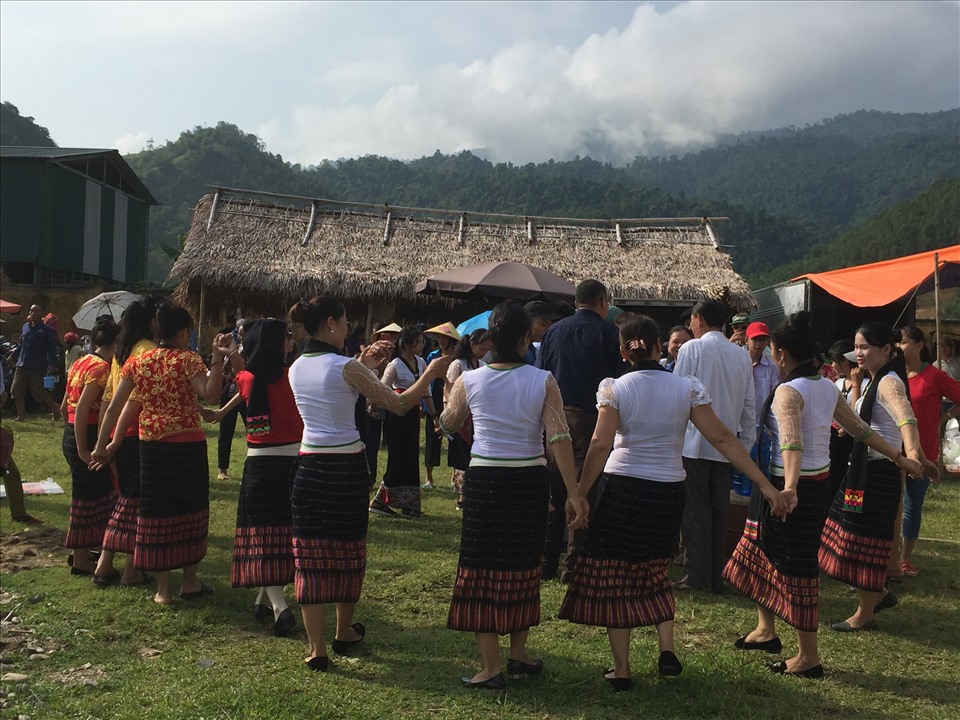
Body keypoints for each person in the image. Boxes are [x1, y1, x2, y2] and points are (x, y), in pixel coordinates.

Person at [559, 313, 789, 690]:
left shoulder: (615, 388)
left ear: (623, 352)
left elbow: (600, 444)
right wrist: (764, 484)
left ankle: (622, 669)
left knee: (618, 575)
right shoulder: (687, 388)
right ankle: (666, 648)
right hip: (668, 490)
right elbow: (723, 439)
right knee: (656, 569)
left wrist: (580, 493)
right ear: (658, 345)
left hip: (624, 488)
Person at [723, 312, 922, 679]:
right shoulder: (827, 387)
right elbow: (860, 430)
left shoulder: (789, 391)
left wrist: (789, 489)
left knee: (796, 570)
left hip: (789, 488)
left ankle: (808, 657)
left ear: (781, 354)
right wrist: (899, 458)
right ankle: (766, 629)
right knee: (761, 553)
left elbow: (792, 442)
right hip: (807, 486)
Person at [286, 296, 448, 671]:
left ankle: (316, 647)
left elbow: (335, 387)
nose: (348, 328)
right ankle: (343, 631)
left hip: (308, 464)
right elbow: (399, 405)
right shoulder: (345, 367)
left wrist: (364, 365)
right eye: (344, 322)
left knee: (309, 552)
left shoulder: (297, 366)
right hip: (344, 467)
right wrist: (429, 375)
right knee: (347, 548)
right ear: (330, 324)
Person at [440, 302, 588, 689]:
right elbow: (558, 436)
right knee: (523, 565)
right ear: (526, 338)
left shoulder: (469, 380)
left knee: (481, 567)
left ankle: (490, 668)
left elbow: (449, 424)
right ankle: (518, 653)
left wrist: (443, 394)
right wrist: (573, 492)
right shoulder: (543, 380)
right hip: (529, 481)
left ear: (490, 338)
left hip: (486, 481)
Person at [92, 304, 234, 606]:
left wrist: (103, 445)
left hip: (152, 448)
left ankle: (163, 591)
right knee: (191, 511)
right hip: (188, 448)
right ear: (184, 332)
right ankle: (190, 582)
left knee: (157, 515)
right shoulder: (188, 359)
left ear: (157, 329)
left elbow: (116, 408)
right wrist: (218, 360)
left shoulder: (139, 362)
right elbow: (209, 394)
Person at [819, 322, 937, 632]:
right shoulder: (873, 380)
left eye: (865, 347)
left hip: (878, 473)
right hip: (862, 470)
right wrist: (922, 457)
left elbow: (904, 416)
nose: (858, 353)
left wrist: (912, 454)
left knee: (866, 540)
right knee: (849, 534)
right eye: (856, 347)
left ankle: (865, 613)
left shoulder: (888, 382)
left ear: (886, 350)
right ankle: (879, 594)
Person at [207, 319, 303, 635]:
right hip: (293, 462)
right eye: (287, 338)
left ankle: (278, 605)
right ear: (279, 345)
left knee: (261, 534)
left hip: (260, 464)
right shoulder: (294, 377)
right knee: (282, 529)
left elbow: (245, 373)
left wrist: (225, 354)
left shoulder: (247, 380)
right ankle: (266, 601)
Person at [537, 279, 624, 582]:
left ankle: (545, 563)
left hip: (555, 419)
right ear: (602, 301)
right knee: (584, 490)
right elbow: (618, 382)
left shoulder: (552, 332)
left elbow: (541, 375)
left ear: (576, 302)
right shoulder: (611, 334)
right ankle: (573, 565)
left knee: (554, 491)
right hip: (592, 419)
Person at [675, 299, 756, 593]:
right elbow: (749, 403)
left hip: (694, 443)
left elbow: (678, 393)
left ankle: (697, 576)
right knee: (719, 510)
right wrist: (744, 443)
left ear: (698, 319)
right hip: (727, 445)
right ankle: (714, 574)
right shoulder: (741, 355)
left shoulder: (692, 348)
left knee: (696, 511)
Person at [92, 296, 160, 587]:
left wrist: (103, 440)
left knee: (126, 501)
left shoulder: (122, 351)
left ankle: (104, 565)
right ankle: (131, 570)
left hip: (119, 435)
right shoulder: (149, 351)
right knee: (139, 505)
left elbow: (109, 400)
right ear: (152, 322)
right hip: (139, 434)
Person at [895, 326, 960, 576]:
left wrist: (943, 417)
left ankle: (904, 558)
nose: (899, 346)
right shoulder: (893, 375)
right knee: (892, 506)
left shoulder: (934, 375)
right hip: (894, 451)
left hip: (924, 453)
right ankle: (888, 558)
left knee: (912, 505)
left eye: (903, 342)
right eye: (897, 343)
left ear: (920, 345)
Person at [60, 317, 120, 578]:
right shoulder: (101, 369)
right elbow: (83, 408)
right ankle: (81, 559)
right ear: (115, 344)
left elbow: (65, 407)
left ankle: (86, 550)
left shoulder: (80, 362)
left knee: (96, 496)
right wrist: (85, 448)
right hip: (86, 435)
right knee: (87, 499)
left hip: (72, 434)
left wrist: (74, 438)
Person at [369, 326, 434, 517]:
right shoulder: (395, 364)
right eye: (419, 342)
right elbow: (383, 388)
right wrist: (376, 404)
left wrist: (434, 413)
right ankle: (380, 501)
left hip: (412, 416)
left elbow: (425, 391)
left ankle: (410, 506)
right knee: (397, 458)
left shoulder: (421, 362)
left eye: (423, 341)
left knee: (411, 457)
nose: (422, 345)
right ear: (406, 344)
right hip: (396, 417)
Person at [444, 329, 491, 510]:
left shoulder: (481, 365)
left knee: (474, 454)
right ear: (472, 345)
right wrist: (449, 415)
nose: (484, 353)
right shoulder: (458, 364)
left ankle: (470, 492)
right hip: (461, 415)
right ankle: (463, 496)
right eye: (481, 349)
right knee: (463, 455)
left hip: (476, 416)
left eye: (487, 350)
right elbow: (449, 390)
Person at [362, 322, 402, 486]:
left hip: (383, 406)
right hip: (366, 405)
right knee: (367, 442)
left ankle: (371, 477)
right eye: (386, 337)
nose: (389, 341)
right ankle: (366, 476)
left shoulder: (392, 360)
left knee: (374, 443)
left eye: (392, 338)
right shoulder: (367, 356)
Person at [423, 322, 460, 489]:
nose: (441, 340)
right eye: (439, 337)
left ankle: (454, 475)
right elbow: (426, 381)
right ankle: (429, 477)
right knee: (432, 437)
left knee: (456, 437)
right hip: (435, 396)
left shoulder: (458, 358)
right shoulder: (433, 356)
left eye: (445, 337)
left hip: (453, 396)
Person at [11, 304, 62, 421]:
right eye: (31, 311)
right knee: (16, 390)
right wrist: (12, 356)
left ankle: (54, 407)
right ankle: (21, 416)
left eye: (36, 311)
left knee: (38, 392)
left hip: (37, 366)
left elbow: (52, 349)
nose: (33, 313)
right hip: (21, 365)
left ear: (41, 314)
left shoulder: (46, 330)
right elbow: (20, 345)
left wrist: (51, 363)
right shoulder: (25, 327)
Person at [217, 318, 248, 480]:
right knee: (225, 432)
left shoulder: (252, 349)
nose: (240, 336)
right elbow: (223, 369)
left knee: (254, 430)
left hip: (246, 395)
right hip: (230, 393)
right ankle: (222, 470)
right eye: (239, 332)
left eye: (243, 333)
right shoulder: (231, 348)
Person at [826, 340, 857, 498]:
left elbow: (858, 408)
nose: (831, 365)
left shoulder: (863, 384)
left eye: (834, 361)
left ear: (844, 361)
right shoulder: (837, 383)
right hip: (834, 436)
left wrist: (847, 427)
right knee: (834, 473)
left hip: (852, 437)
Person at [522, 301, 561, 365]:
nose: (547, 330)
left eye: (549, 326)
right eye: (543, 324)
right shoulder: (516, 350)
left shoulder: (533, 349)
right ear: (528, 321)